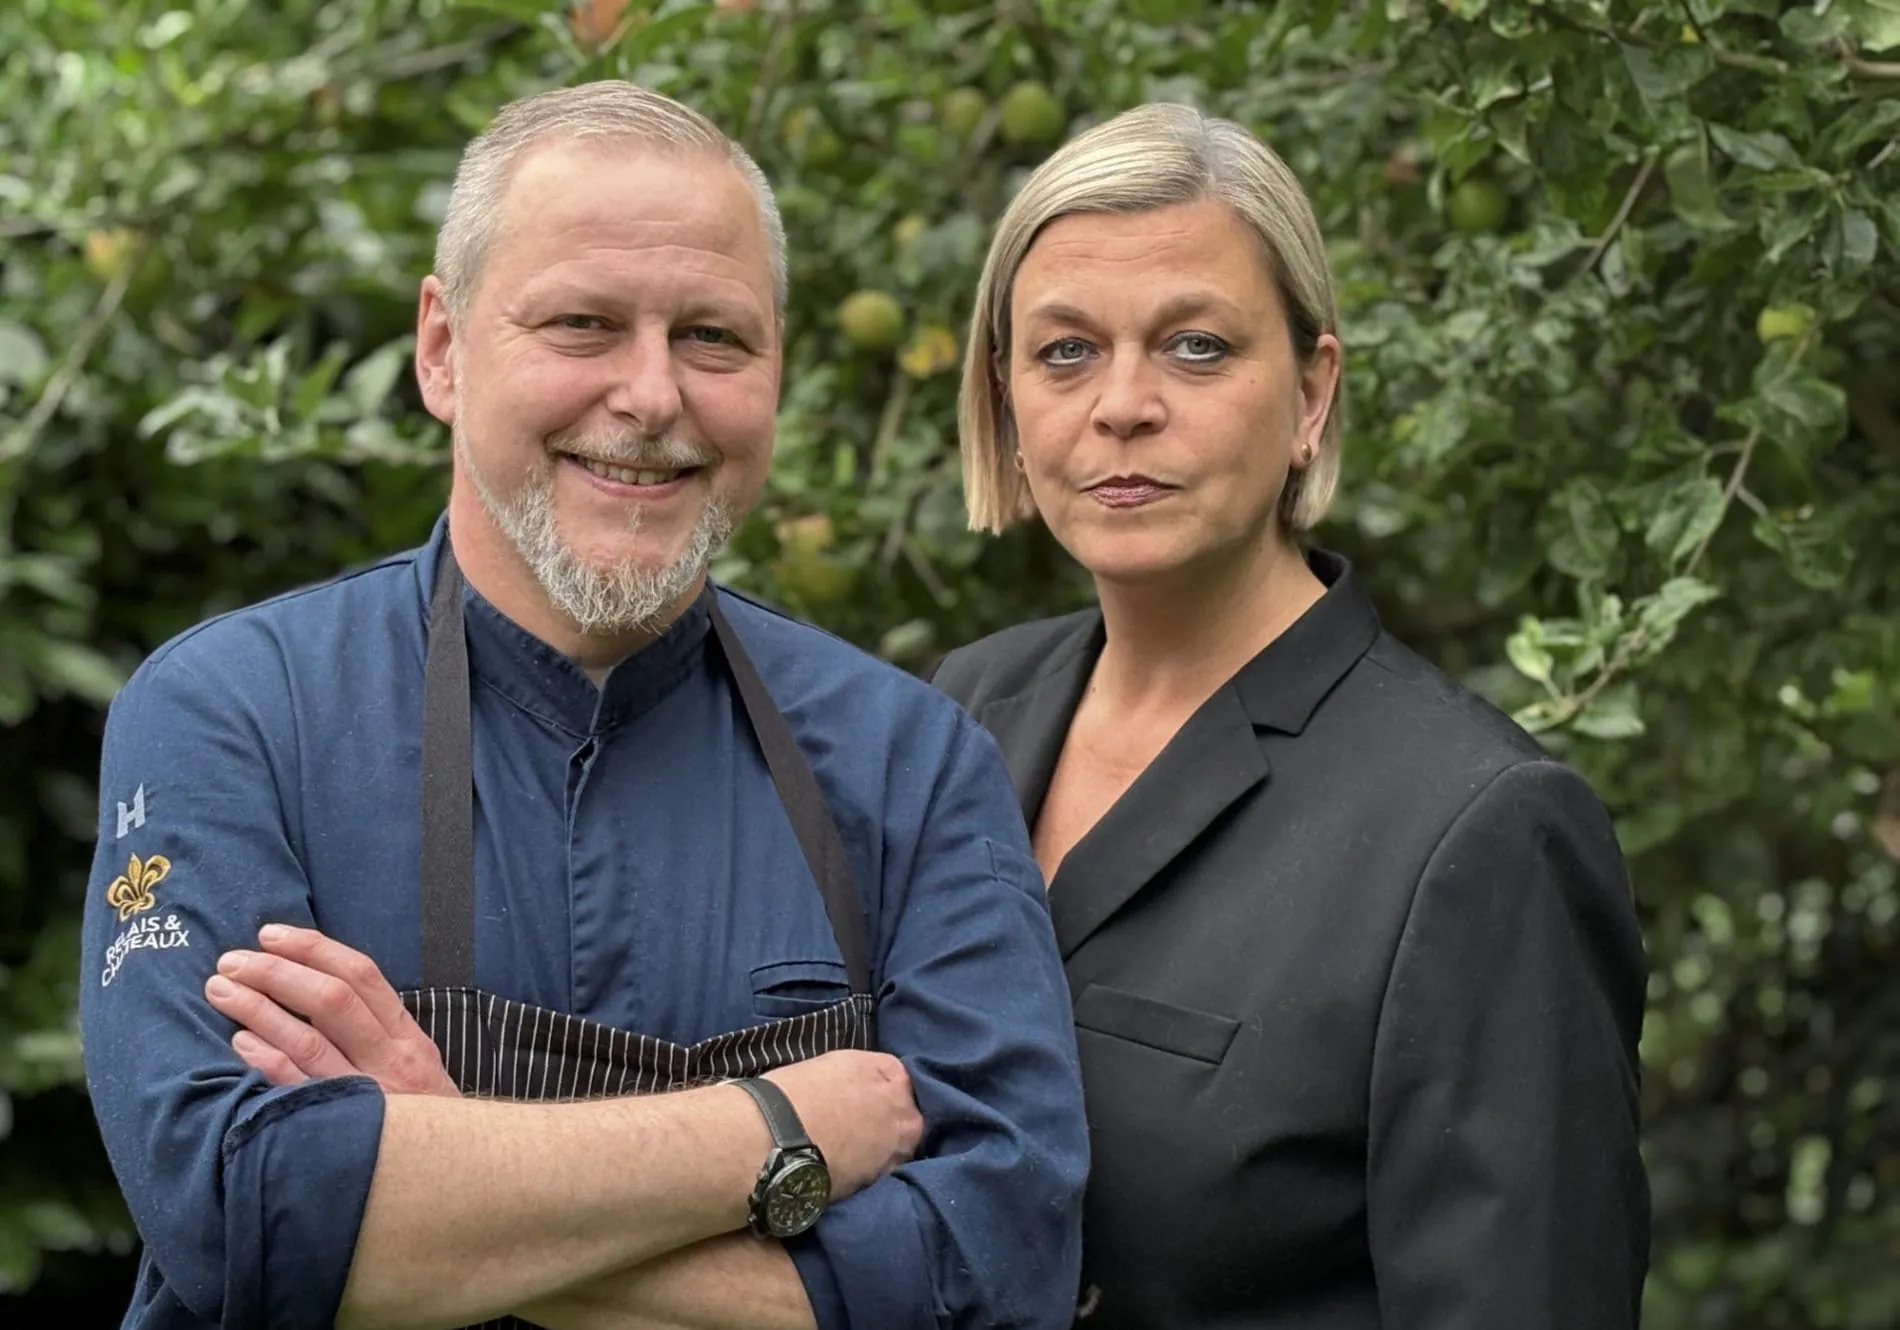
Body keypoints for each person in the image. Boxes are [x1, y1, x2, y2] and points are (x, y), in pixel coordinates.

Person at [78, 80, 1087, 1330]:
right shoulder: (235, 714)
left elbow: (999, 1273)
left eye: (713, 337)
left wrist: (441, 1168)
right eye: (583, 324)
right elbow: (240, 1218)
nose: (652, 395)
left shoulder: (911, 764)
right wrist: (780, 1127)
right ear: (442, 349)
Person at [927, 103, 1650, 1328]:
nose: (1122, 405)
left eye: (1196, 347)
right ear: (1003, 393)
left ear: (1311, 391)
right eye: (1063, 351)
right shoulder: (956, 717)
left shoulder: (1478, 831)